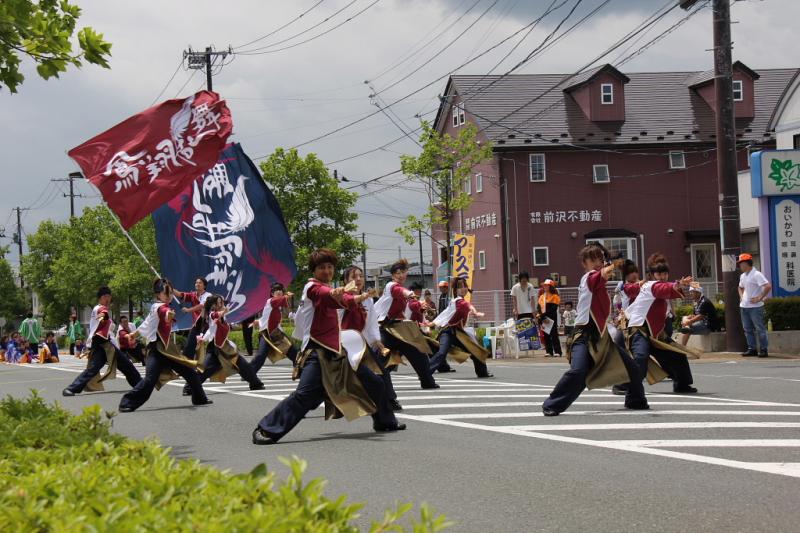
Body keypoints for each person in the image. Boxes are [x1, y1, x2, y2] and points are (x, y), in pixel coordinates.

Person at [252, 248, 405, 445]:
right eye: (322, 267)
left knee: (375, 383)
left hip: (336, 352)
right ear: (314, 270)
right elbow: (326, 294)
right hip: (317, 352)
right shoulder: (311, 288)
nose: (327, 270)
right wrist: (339, 292)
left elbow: (344, 300)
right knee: (306, 395)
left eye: (330, 267)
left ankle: (385, 421)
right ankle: (267, 428)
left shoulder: (329, 289)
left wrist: (359, 297)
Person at [542, 244, 648, 416]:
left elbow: (612, 280)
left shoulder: (600, 280)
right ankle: (551, 404)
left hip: (601, 338)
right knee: (578, 371)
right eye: (593, 260)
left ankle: (635, 401)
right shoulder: (588, 278)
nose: (597, 262)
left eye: (600, 259)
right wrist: (614, 265)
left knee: (632, 369)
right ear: (585, 263)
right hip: (583, 335)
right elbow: (600, 275)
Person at [118, 279, 213, 412]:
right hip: (157, 350)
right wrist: (168, 315)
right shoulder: (161, 307)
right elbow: (164, 313)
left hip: (167, 349)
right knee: (150, 379)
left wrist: (133, 334)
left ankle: (199, 398)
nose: (169, 295)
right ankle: (126, 402)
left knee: (189, 371)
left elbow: (147, 323)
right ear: (158, 295)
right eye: (165, 292)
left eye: (170, 292)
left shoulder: (156, 306)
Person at [625, 253, 698, 394]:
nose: (663, 277)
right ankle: (624, 385)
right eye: (659, 274)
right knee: (640, 356)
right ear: (652, 275)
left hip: (657, 333)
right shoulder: (651, 285)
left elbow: (667, 290)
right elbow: (663, 289)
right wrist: (678, 284)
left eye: (665, 274)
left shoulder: (653, 285)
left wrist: (677, 285)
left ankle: (682, 385)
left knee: (677, 355)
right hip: (640, 329)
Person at [340, 265, 402, 411]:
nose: (358, 279)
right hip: (343, 346)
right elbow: (334, 320)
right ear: (345, 281)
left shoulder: (368, 301)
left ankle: (389, 400)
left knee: (380, 370)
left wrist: (377, 341)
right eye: (353, 277)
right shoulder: (340, 299)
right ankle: (302, 403)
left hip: (361, 345)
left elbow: (372, 322)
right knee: (329, 380)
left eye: (360, 276)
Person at [63, 287, 142, 396]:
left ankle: (140, 385)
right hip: (100, 344)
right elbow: (103, 313)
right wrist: (104, 316)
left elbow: (106, 322)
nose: (108, 299)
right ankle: (71, 388)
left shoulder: (104, 311)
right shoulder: (99, 309)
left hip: (107, 344)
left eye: (109, 297)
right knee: (93, 369)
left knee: (126, 364)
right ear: (100, 298)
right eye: (105, 297)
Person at [374, 259, 438, 389]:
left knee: (418, 354)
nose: (401, 275)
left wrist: (421, 306)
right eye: (398, 273)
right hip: (385, 328)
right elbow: (400, 291)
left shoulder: (403, 291)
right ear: (392, 275)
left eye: (403, 272)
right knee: (380, 357)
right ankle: (374, 383)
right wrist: (409, 293)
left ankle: (427, 381)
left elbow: (411, 306)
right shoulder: (391, 286)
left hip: (400, 328)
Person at [195, 294, 264, 390]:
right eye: (220, 302)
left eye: (222, 302)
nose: (222, 304)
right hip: (221, 346)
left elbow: (211, 330)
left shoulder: (218, 314)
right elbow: (216, 317)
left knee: (208, 368)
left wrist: (204, 339)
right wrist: (225, 311)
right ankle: (255, 383)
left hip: (218, 345)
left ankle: (191, 387)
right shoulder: (212, 314)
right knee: (240, 363)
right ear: (214, 305)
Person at [428, 277, 494, 378]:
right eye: (460, 287)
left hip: (460, 333)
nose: (463, 289)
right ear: (455, 290)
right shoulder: (457, 302)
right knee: (441, 353)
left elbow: (465, 307)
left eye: (465, 286)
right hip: (448, 332)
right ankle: (425, 372)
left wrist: (431, 323)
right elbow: (466, 306)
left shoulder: (455, 302)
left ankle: (482, 372)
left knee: (475, 350)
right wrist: (430, 324)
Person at [172, 277, 211, 395]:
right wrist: (169, 286)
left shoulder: (208, 295)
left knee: (207, 355)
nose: (197, 284)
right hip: (196, 326)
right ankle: (185, 371)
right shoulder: (193, 295)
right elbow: (179, 294)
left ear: (204, 285)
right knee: (188, 350)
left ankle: (191, 382)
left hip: (206, 326)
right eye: (196, 282)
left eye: (200, 283)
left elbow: (202, 306)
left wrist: (189, 310)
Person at [251, 282, 298, 373]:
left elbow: (266, 317)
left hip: (276, 333)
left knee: (293, 352)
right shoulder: (271, 301)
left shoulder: (277, 305)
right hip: (266, 334)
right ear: (272, 293)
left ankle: (300, 370)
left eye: (280, 289)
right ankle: (249, 373)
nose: (279, 291)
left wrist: (258, 321)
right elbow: (282, 299)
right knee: (261, 355)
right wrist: (287, 296)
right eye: (276, 290)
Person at [737, 253, 772, 357]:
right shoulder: (742, 276)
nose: (740, 266)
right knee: (747, 329)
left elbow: (768, 286)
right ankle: (752, 349)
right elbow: (740, 287)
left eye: (741, 263)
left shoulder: (757, 274)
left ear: (747, 263)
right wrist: (741, 297)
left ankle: (764, 349)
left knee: (760, 328)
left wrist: (760, 297)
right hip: (744, 306)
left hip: (756, 307)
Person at [537, 280, 562, 357]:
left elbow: (553, 309)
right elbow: (538, 308)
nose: (544, 287)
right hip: (543, 318)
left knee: (554, 334)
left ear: (551, 286)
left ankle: (558, 351)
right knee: (546, 335)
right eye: (544, 285)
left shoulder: (555, 296)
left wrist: (544, 315)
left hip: (552, 318)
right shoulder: (541, 297)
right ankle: (549, 351)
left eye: (546, 285)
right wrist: (542, 317)